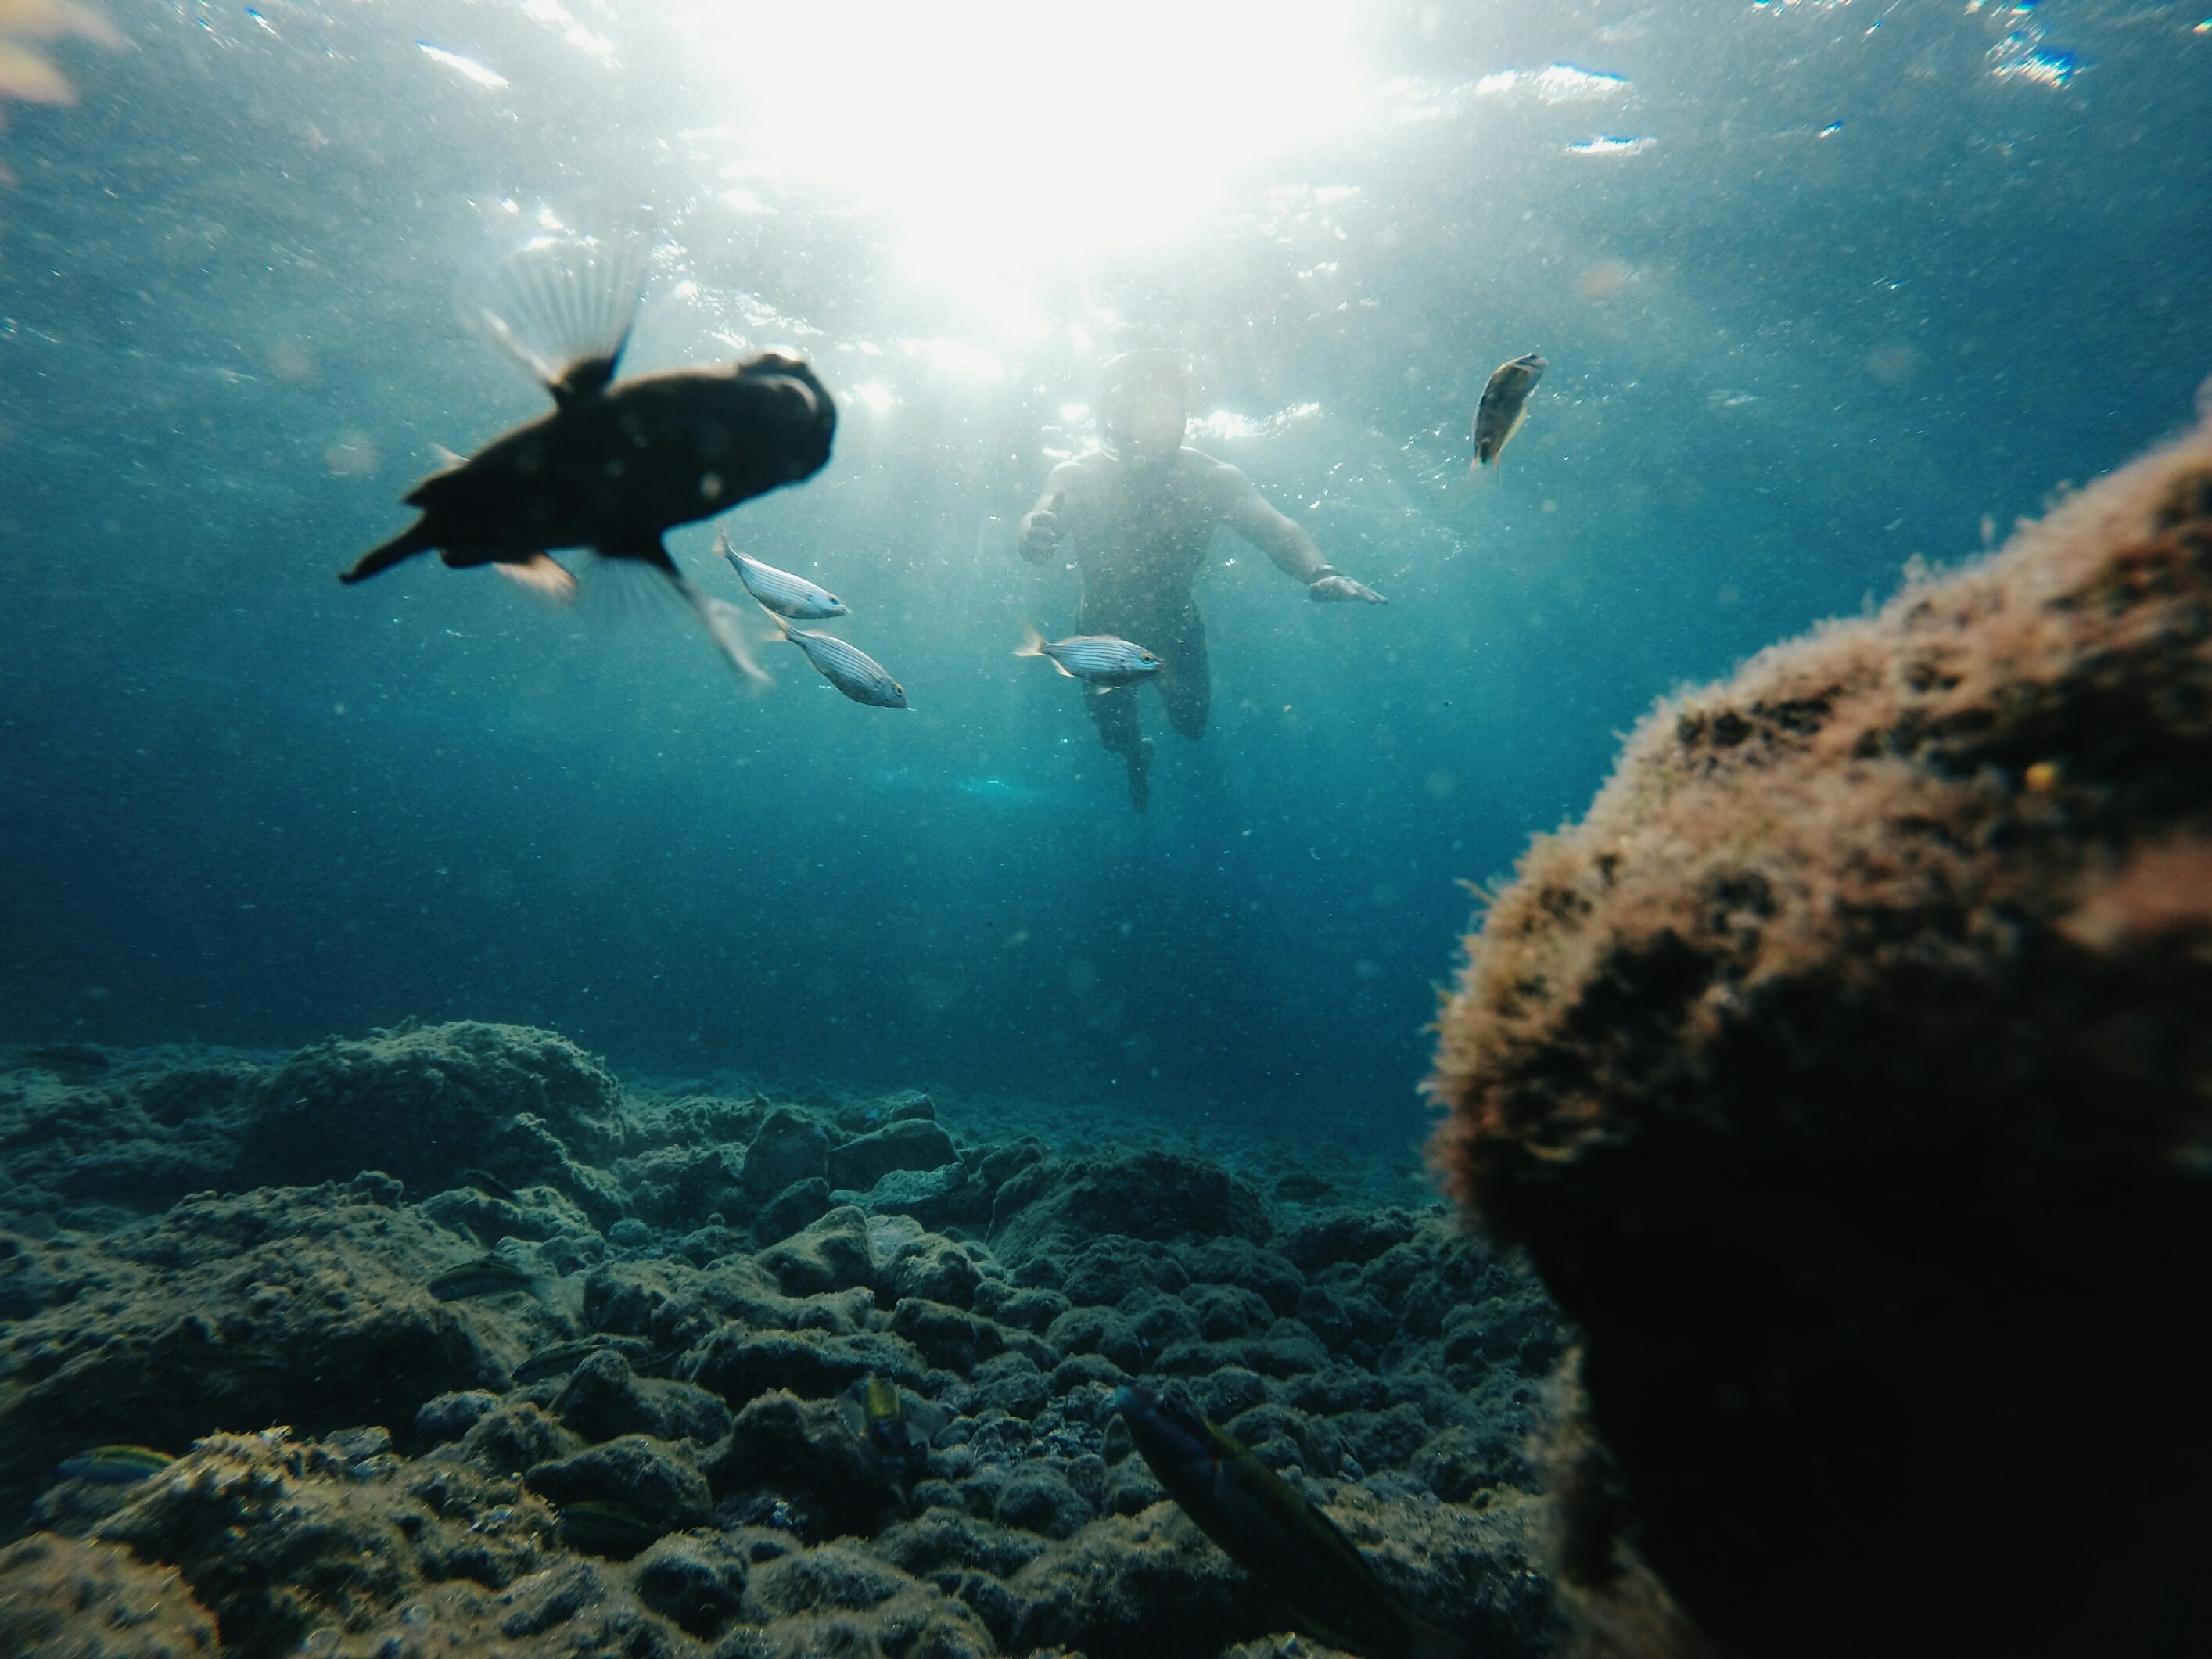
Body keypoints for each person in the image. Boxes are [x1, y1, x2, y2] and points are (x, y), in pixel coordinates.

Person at [1017, 350, 1384, 810]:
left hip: (1177, 630)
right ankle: (1137, 758)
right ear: (1113, 418)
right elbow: (1046, 508)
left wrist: (1320, 570)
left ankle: (1136, 751)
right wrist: (1035, 531)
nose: (1155, 429)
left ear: (1183, 416)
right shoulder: (1081, 474)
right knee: (1116, 738)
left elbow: (1274, 529)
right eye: (1142, 414)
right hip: (1103, 632)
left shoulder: (1211, 478)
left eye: (1164, 414)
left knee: (1192, 727)